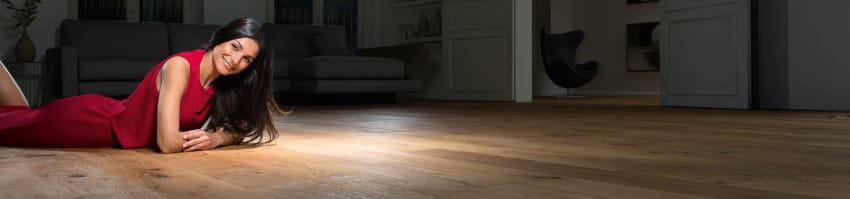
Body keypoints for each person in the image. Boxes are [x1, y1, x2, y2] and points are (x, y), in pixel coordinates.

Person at [0, 17, 284, 153]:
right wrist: (211, 139)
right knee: (14, 126)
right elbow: (167, 142)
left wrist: (219, 137)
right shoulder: (180, 67)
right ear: (220, 38)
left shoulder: (222, 86)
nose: (235, 60)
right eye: (234, 47)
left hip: (105, 119)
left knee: (19, 115)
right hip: (87, 122)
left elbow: (241, 129)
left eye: (246, 59)